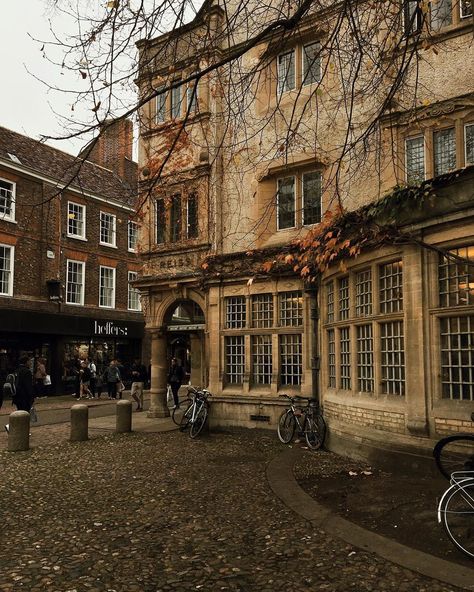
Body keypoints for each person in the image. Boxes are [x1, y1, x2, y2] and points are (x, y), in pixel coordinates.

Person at [5, 355, 34, 433]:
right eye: (29, 361)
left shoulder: (17, 370)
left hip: (17, 396)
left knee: (19, 414)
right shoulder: (27, 371)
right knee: (25, 415)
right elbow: (28, 386)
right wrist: (31, 397)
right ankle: (21, 430)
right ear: (26, 362)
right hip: (24, 397)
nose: (30, 363)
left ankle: (19, 430)